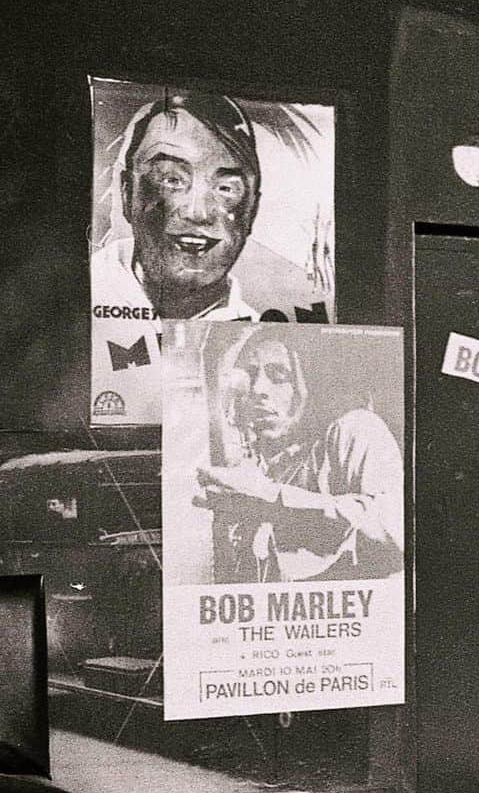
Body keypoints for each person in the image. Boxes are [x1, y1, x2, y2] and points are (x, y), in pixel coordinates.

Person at [194, 325, 404, 583]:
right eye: (250, 376)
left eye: (279, 375)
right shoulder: (260, 459)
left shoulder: (354, 428)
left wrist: (270, 498)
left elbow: (394, 531)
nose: (259, 389)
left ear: (311, 381)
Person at [92, 92, 262, 321]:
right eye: (171, 180)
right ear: (127, 192)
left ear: (252, 210)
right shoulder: (77, 295)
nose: (197, 213)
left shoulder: (268, 338)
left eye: (225, 188)